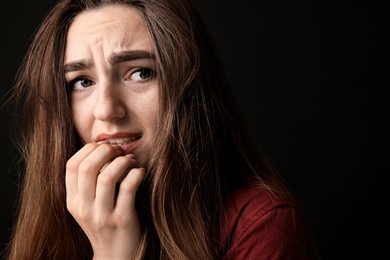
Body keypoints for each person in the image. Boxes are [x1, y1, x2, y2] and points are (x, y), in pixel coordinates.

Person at [5, 0, 319, 259]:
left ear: (189, 88)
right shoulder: (51, 230)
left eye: (140, 73)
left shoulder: (260, 224)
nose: (106, 109)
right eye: (82, 82)